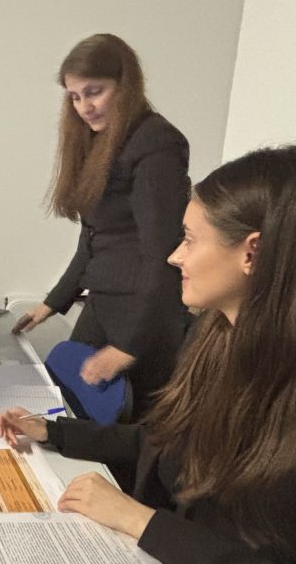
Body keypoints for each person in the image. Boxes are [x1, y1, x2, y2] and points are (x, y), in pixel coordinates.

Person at [0, 145, 296, 564]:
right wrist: (56, 433)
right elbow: (170, 441)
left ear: (252, 253)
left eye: (190, 240)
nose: (174, 257)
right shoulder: (218, 337)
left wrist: (144, 522)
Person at [12, 34, 191, 419]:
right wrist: (52, 302)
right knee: (68, 406)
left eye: (94, 92)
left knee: (119, 428)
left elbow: (163, 254)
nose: (84, 107)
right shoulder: (101, 141)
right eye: (75, 97)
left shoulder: (156, 143)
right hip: (104, 301)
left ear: (125, 85)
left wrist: (129, 347)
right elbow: (93, 236)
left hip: (145, 311)